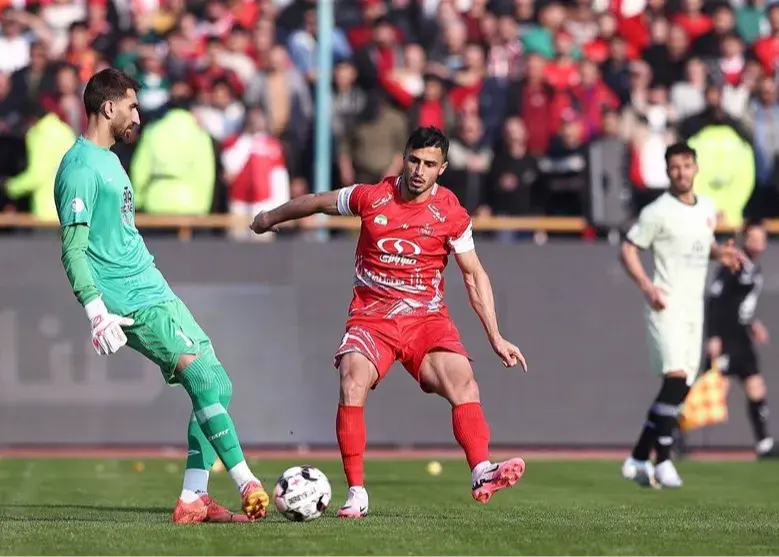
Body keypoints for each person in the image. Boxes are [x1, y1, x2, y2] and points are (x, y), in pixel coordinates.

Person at [250, 126, 528, 518]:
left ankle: (481, 471)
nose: (419, 170)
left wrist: (495, 336)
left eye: (429, 164)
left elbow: (473, 275)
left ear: (442, 168)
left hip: (425, 319)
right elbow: (317, 201)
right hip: (372, 318)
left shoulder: (451, 213)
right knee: (352, 379)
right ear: (403, 158)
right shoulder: (372, 197)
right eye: (414, 160)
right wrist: (268, 217)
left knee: (462, 378)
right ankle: (357, 493)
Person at [53, 68, 268, 524]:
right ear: (108, 107)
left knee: (218, 384)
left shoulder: (110, 159)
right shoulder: (79, 168)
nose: (138, 116)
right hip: (128, 300)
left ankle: (194, 498)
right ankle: (246, 481)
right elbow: (73, 250)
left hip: (153, 287)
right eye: (132, 107)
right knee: (203, 380)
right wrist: (96, 311)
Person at [618, 141, 745, 488]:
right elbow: (628, 249)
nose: (681, 172)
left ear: (696, 168)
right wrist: (647, 286)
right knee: (675, 379)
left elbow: (701, 244)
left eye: (687, 165)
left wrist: (720, 254)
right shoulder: (657, 212)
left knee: (681, 388)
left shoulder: (707, 207)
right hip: (665, 305)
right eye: (675, 167)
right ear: (667, 171)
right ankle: (663, 461)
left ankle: (638, 457)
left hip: (692, 309)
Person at [701, 221, 777, 458]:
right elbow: (716, 300)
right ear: (745, 239)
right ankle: (674, 437)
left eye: (762, 238)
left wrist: (753, 323)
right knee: (711, 389)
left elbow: (741, 303)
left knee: (756, 387)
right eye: (754, 238)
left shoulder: (753, 269)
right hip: (726, 336)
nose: (759, 243)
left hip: (742, 337)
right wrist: (714, 336)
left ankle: (764, 442)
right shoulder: (733, 264)